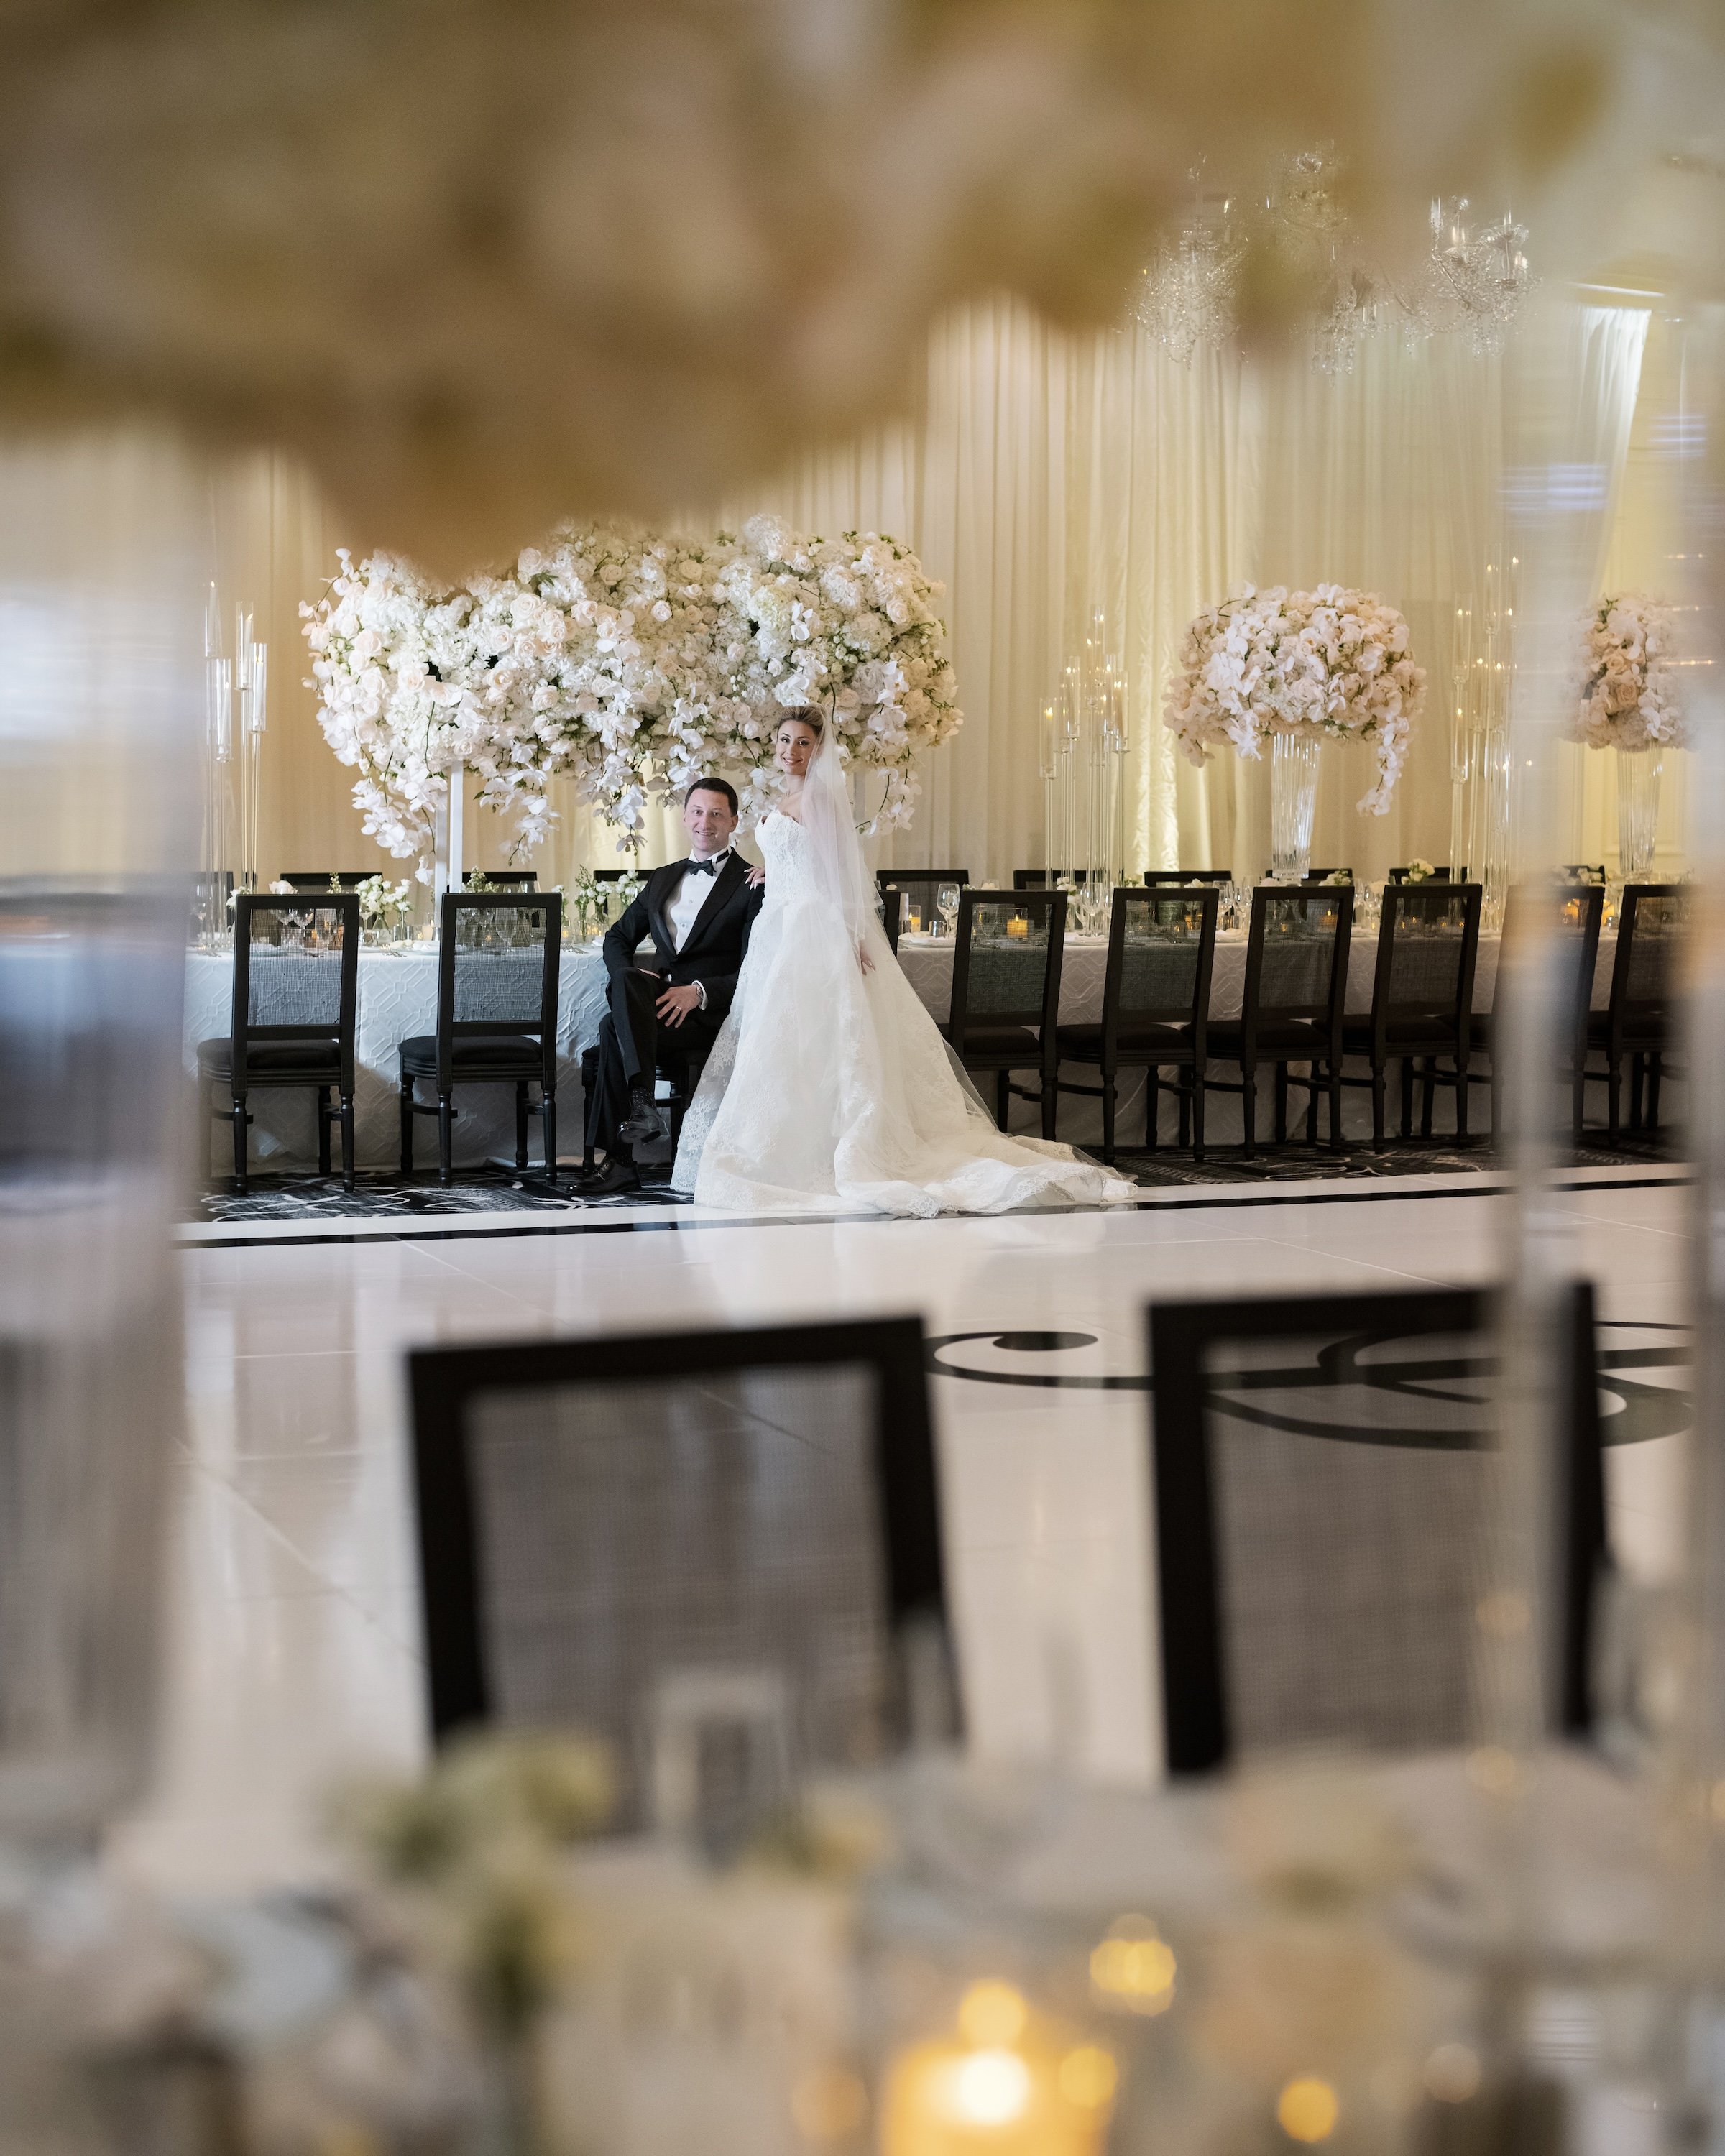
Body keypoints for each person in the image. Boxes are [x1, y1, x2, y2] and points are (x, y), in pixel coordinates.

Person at [672, 708, 1136, 1215]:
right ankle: (780, 1143)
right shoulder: (788, 798)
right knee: (782, 1040)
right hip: (779, 929)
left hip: (810, 929)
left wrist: (851, 934)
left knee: (812, 1040)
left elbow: (841, 871)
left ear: (818, 749)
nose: (791, 751)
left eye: (803, 743)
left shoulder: (819, 797)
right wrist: (774, 869)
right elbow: (804, 855)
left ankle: (823, 1152)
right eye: (784, 740)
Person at [577, 776, 765, 1195]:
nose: (705, 822)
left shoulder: (752, 883)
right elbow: (616, 938)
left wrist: (698, 992)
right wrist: (629, 978)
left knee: (612, 1030)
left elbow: (758, 969)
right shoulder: (663, 878)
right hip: (658, 1010)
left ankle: (623, 1158)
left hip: (709, 1016)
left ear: (734, 822)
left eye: (717, 814)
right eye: (697, 812)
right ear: (684, 818)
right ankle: (640, 1110)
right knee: (624, 983)